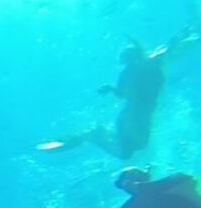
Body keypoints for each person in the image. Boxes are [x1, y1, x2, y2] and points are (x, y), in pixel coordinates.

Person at [39, 26, 197, 159]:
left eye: (130, 60)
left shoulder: (149, 63)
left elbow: (170, 48)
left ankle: (85, 136)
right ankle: (82, 137)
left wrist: (184, 37)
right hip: (134, 116)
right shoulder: (139, 68)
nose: (130, 65)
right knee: (127, 149)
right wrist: (112, 88)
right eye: (128, 62)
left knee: (127, 148)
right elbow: (170, 49)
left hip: (135, 116)